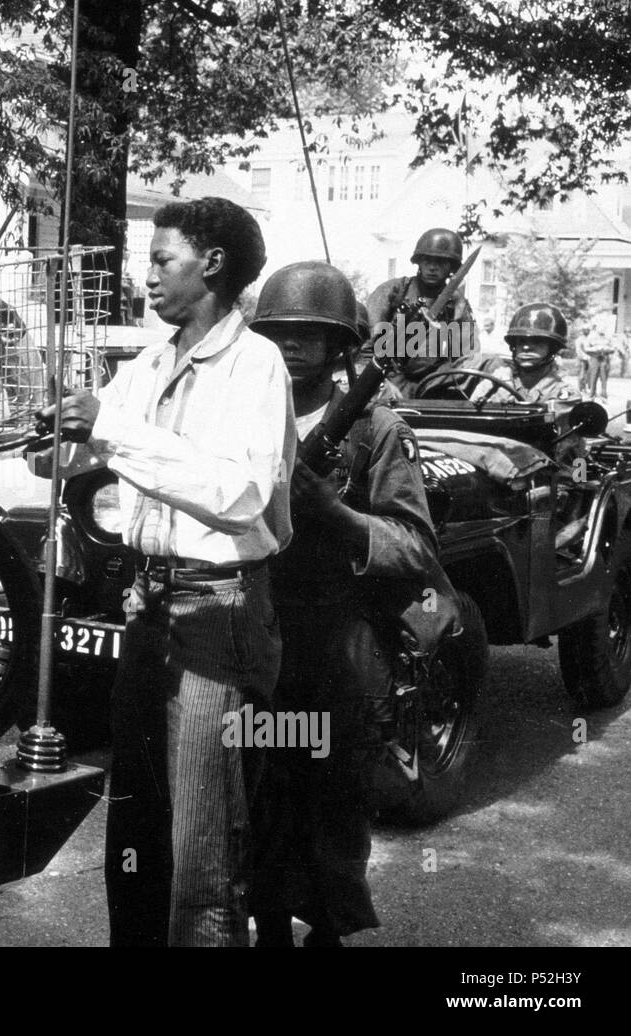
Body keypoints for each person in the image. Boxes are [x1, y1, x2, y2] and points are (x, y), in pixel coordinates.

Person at [37, 198, 295, 946]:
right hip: (147, 601)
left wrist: (109, 429)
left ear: (211, 264)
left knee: (203, 850)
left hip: (217, 614)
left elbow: (243, 495)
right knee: (137, 826)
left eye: (161, 259)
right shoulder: (150, 362)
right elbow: (85, 455)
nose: (144, 275)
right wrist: (50, 437)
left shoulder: (256, 364)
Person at [245, 260, 450, 947]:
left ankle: (328, 932)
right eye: (280, 332)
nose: (293, 344)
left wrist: (334, 515)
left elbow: (415, 546)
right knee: (260, 796)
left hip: (336, 638)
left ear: (341, 346)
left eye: (312, 332)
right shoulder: (242, 414)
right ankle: (268, 921)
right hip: (255, 631)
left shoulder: (377, 429)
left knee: (333, 800)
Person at [367, 228, 476, 397]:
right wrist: (381, 383)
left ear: (451, 267)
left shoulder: (457, 304)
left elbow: (467, 354)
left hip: (435, 381)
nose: (433, 268)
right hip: (390, 376)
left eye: (440, 262)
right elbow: (368, 346)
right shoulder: (394, 291)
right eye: (427, 261)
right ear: (419, 262)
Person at [475, 303, 577, 406]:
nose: (526, 347)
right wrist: (489, 386)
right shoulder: (495, 382)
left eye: (537, 341)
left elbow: (534, 418)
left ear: (553, 348)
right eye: (521, 341)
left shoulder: (566, 394)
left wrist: (505, 392)